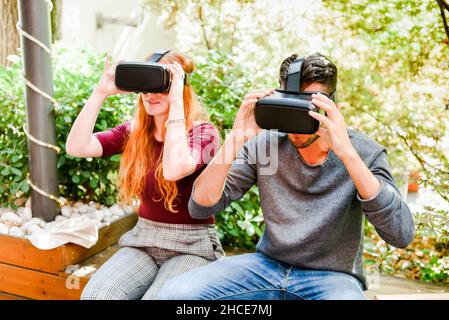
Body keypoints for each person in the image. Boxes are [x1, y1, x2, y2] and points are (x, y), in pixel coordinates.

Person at [156, 53, 415, 300]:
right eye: (292, 105)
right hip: (266, 266)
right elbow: (201, 206)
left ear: (331, 105)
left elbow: (401, 234)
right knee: (175, 294)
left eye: (308, 107)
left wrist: (346, 153)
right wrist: (235, 139)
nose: (297, 122)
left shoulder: (363, 152)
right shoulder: (267, 145)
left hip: (332, 276)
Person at [66, 51, 224, 300]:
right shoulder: (134, 133)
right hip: (144, 240)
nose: (150, 94)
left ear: (179, 88)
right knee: (97, 295)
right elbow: (76, 147)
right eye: (146, 86)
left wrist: (176, 102)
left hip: (192, 246)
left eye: (161, 85)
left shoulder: (204, 133)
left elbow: (174, 169)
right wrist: (101, 92)